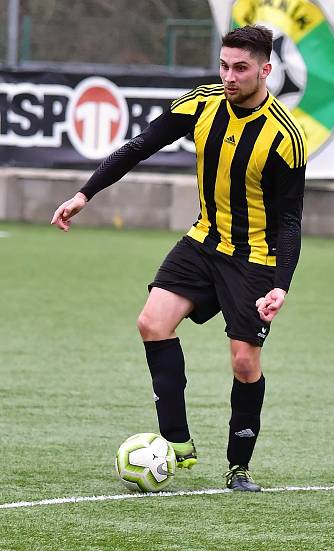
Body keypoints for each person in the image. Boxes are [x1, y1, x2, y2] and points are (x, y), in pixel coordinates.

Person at [50, 25, 307, 492]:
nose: (229, 76)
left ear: (266, 70)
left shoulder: (284, 137)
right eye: (224, 65)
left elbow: (290, 220)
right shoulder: (202, 102)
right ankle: (177, 442)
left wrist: (280, 284)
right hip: (202, 240)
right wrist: (85, 193)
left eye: (241, 68)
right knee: (152, 322)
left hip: (253, 258)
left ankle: (238, 468)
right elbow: (139, 147)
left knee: (245, 363)